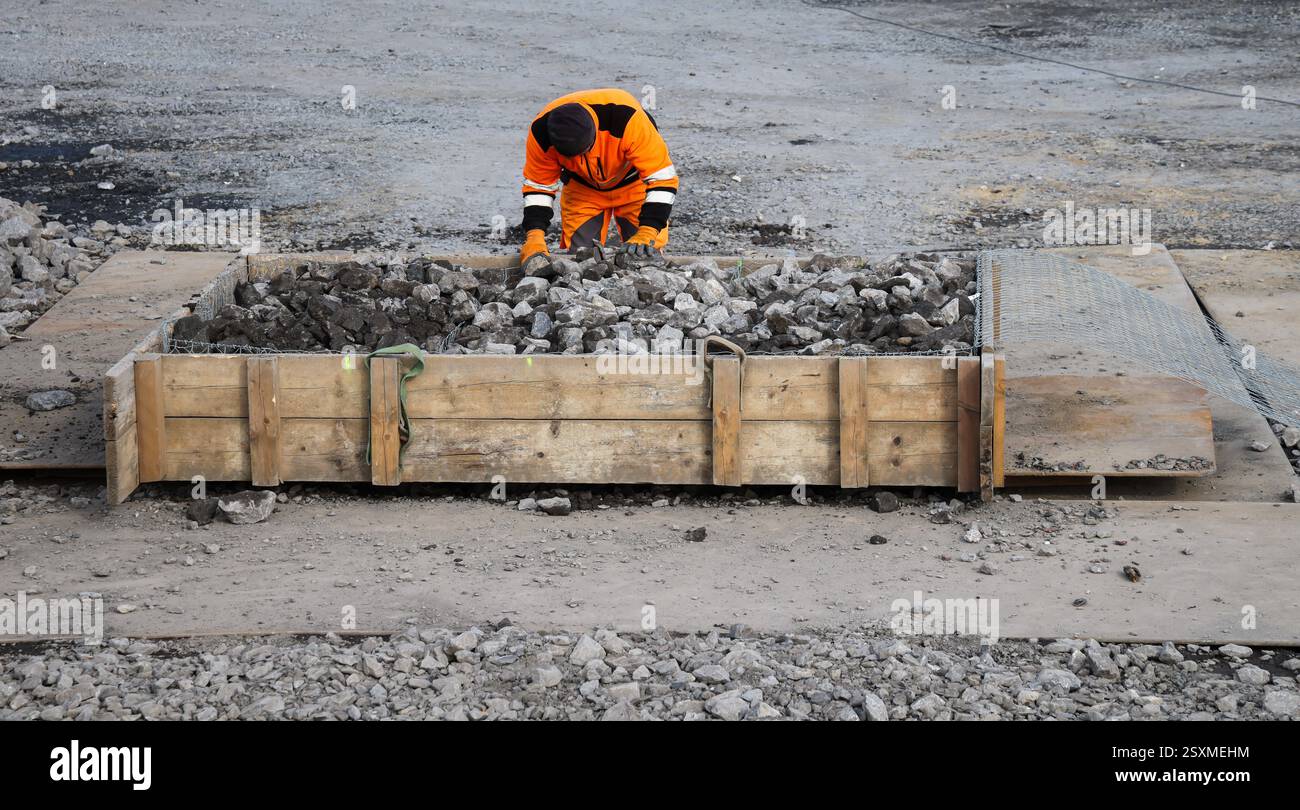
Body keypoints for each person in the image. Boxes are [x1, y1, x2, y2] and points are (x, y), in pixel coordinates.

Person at [518, 88, 678, 268]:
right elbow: (539, 187)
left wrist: (648, 230)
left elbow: (662, 179)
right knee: (581, 260)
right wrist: (534, 236)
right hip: (583, 190)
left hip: (634, 185)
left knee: (646, 254)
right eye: (572, 157)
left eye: (584, 151)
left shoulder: (627, 119)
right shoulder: (541, 133)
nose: (579, 159)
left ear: (594, 132)